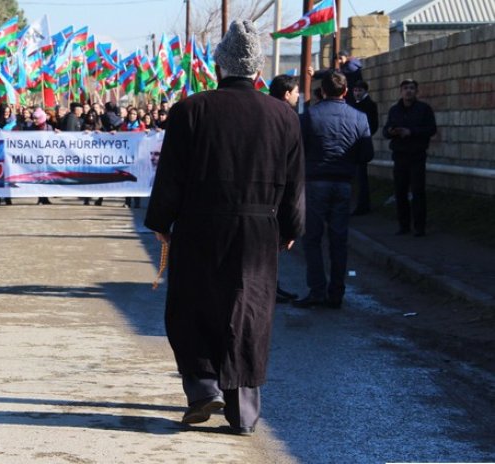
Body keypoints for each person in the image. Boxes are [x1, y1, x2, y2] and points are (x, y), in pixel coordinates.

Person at [144, 20, 304, 436]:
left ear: (218, 66)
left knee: (193, 305)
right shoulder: (284, 116)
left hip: (199, 225)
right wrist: (291, 226)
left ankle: (203, 390)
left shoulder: (190, 110)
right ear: (259, 71)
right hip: (258, 231)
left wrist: (160, 221)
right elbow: (294, 181)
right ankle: (243, 412)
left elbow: (171, 176)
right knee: (248, 313)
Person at [293, 70, 373, 310]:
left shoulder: (309, 116)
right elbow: (367, 154)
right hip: (344, 183)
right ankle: (336, 292)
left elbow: (298, 150)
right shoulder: (360, 117)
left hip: (315, 182)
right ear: (346, 91)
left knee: (312, 238)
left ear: (322, 91)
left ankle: (317, 290)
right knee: (339, 239)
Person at [383, 79, 437, 237]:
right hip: (399, 155)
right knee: (400, 191)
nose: (408, 91)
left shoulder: (424, 109)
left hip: (417, 155)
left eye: (412, 88)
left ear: (416, 91)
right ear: (401, 91)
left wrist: (411, 132)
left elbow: (431, 129)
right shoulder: (394, 110)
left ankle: (420, 227)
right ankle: (403, 225)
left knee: (418, 191)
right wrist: (391, 132)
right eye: (405, 88)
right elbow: (385, 131)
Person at [267, 74, 302, 304]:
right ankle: (270, 287)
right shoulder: (286, 117)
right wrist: (294, 226)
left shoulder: (265, 112)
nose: (298, 96)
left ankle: (273, 285)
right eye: (296, 92)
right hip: (276, 189)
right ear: (287, 93)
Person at [348, 80, 379, 216]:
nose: (357, 93)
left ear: (365, 91)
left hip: (361, 145)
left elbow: (373, 125)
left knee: (361, 177)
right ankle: (359, 204)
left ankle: (363, 205)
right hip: (355, 145)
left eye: (359, 90)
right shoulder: (354, 104)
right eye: (355, 90)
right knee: (357, 177)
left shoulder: (369, 105)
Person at [26, 108, 56, 205]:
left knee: (46, 176)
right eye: (34, 118)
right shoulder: (30, 128)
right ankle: (40, 197)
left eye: (37, 118)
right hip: (36, 156)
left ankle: (45, 197)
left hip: (46, 155)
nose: (34, 120)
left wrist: (57, 134)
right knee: (38, 177)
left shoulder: (49, 128)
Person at [0, 104, 16, 206]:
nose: (7, 114)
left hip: (9, 152)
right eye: (5, 112)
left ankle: (8, 198)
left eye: (8, 112)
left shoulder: (13, 123)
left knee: (8, 175)